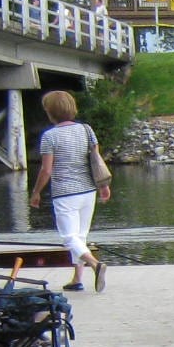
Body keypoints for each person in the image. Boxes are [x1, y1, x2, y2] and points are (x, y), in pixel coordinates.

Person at [27, 89, 111, 292]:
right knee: (80, 236)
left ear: (50, 112)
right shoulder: (86, 129)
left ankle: (94, 264)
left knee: (69, 237)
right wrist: (104, 185)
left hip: (65, 193)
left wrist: (36, 192)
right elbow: (96, 161)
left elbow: (46, 170)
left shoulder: (50, 137)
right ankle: (77, 279)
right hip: (88, 190)